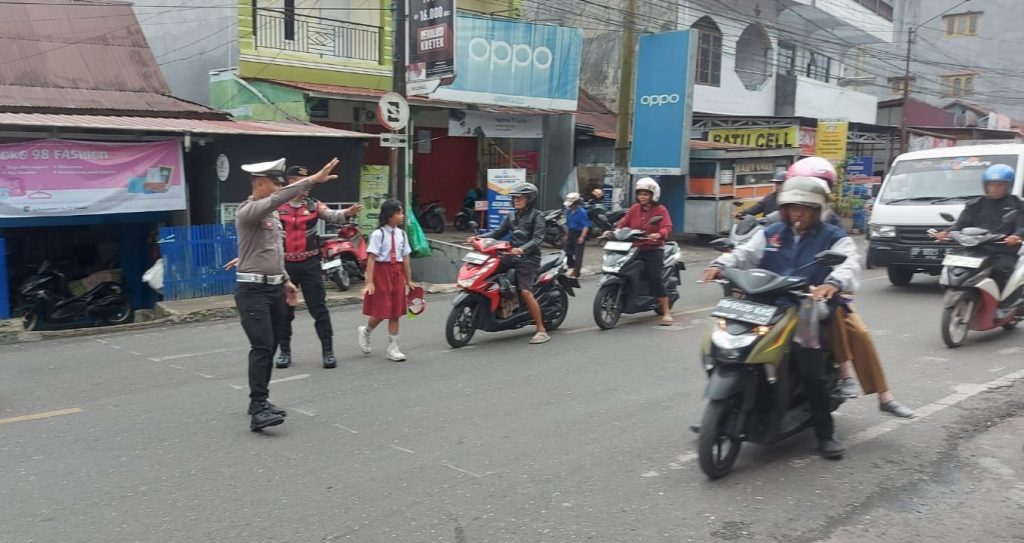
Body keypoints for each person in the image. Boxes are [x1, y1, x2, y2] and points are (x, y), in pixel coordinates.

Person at [701, 176, 862, 459]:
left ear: (818, 209)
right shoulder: (772, 232)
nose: (798, 213)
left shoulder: (833, 237)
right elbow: (743, 254)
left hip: (806, 310)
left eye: (805, 207)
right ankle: (724, 409)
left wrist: (832, 283)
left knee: (811, 370)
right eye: (792, 206)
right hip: (764, 305)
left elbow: (849, 263)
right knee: (725, 349)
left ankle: (826, 433)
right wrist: (720, 264)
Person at [788, 156, 915, 418]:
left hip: (820, 295)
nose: (802, 204)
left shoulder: (830, 225)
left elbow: (848, 260)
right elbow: (754, 243)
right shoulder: (778, 218)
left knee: (855, 330)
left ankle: (879, 393)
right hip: (778, 293)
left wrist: (832, 283)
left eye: (815, 187)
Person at [233, 157, 340, 432]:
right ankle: (258, 407)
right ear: (259, 183)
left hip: (274, 286)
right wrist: (312, 179)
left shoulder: (270, 216)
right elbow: (277, 199)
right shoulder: (249, 211)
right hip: (252, 289)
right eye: (276, 183)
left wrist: (286, 280)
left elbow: (275, 252)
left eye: (282, 184)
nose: (279, 188)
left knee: (269, 345)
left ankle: (261, 399)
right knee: (262, 346)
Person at [274, 165, 363, 370]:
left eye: (308, 182)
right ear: (290, 182)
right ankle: (284, 352)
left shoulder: (314, 206)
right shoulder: (277, 205)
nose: (307, 186)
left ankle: (328, 352)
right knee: (284, 312)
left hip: (310, 264)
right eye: (301, 181)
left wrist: (347, 212)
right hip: (285, 266)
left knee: (319, 309)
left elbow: (332, 215)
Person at [469, 182, 550, 344]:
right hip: (510, 255)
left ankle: (541, 329)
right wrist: (479, 238)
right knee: (488, 274)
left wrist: (522, 249)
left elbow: (537, 238)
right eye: (514, 198)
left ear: (530, 199)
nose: (516, 201)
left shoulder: (537, 216)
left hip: (529, 259)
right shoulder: (511, 216)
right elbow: (498, 232)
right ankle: (503, 307)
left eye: (520, 198)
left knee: (526, 292)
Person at [933, 163, 1024, 290]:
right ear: (985, 185)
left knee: (1000, 270)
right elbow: (960, 225)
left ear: (1008, 186)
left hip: (1002, 250)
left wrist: (1016, 236)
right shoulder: (975, 204)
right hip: (974, 249)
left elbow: (1021, 227)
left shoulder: (1017, 205)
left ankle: (999, 305)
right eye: (991, 185)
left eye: (999, 185)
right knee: (952, 270)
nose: (994, 189)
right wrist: (946, 233)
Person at [358, 199, 417, 361]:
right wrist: (370, 281)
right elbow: (371, 259)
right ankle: (366, 331)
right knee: (382, 310)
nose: (402, 216)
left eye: (402, 212)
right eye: (399, 213)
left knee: (396, 311)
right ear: (390, 215)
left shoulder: (402, 234)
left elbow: (405, 258)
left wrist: (408, 280)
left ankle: (393, 346)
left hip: (396, 272)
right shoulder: (379, 234)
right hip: (381, 272)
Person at [617, 177, 674, 325]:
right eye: (640, 194)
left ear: (653, 195)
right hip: (635, 248)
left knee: (654, 278)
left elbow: (666, 226)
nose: (642, 197)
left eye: (645, 194)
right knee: (621, 270)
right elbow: (623, 223)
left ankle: (667, 313)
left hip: (653, 249)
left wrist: (659, 234)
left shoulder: (660, 210)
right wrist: (612, 232)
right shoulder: (634, 208)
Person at [562, 192, 591, 278]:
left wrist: (582, 236)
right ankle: (571, 267)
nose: (570, 206)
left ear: (575, 203)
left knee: (578, 254)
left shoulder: (582, 212)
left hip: (579, 233)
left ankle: (576, 272)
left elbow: (586, 226)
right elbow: (568, 223)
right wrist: (567, 234)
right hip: (571, 232)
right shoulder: (569, 211)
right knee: (568, 252)